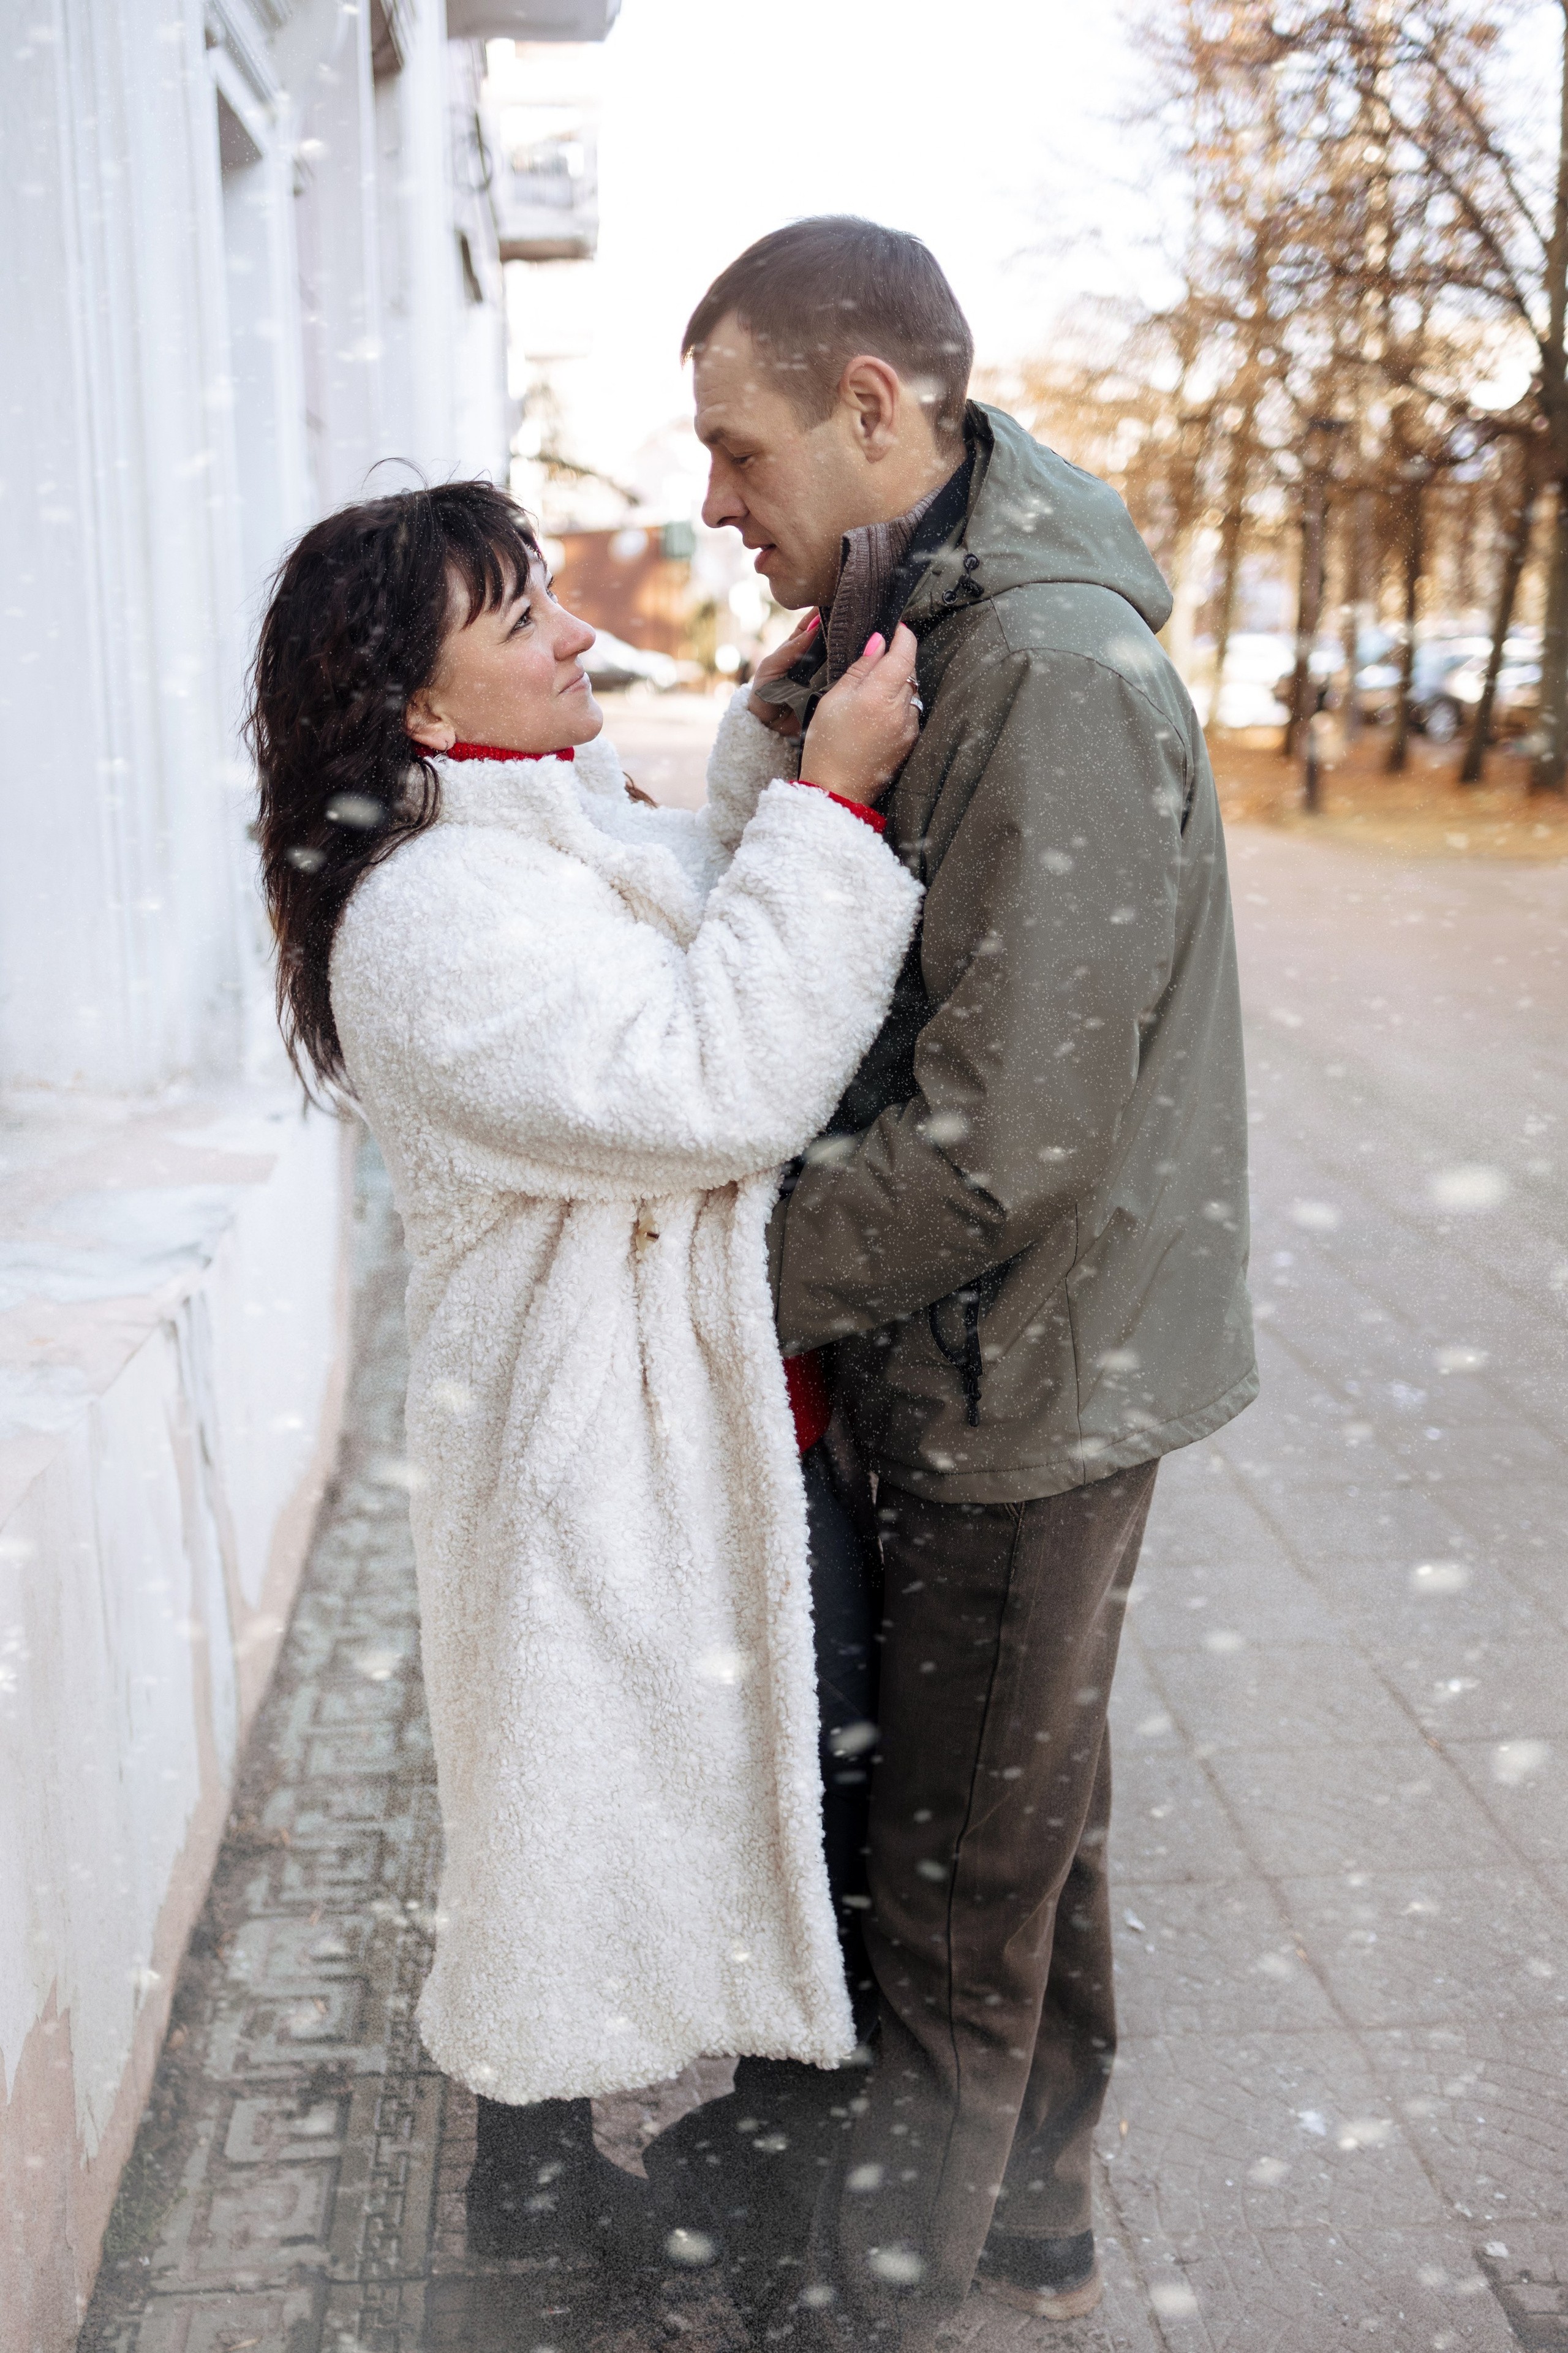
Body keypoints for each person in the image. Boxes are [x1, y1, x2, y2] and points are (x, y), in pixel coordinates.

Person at [667, 218, 1257, 2347]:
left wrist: (714, 1274)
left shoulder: (1049, 666)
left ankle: (871, 2307)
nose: (712, 501)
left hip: (1031, 1375)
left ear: (872, 407)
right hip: (992, 1344)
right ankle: (1033, 2228)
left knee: (950, 1895)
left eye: (737, 450)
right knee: (1033, 1812)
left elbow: (1013, 1132)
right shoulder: (920, 614)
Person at [247, 482, 924, 2283]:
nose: (579, 635)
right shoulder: (429, 916)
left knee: (659, 1809)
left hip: (675, 1426)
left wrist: (775, 746)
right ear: (420, 704)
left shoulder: (537, 839)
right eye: (525, 618)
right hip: (589, 1456)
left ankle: (584, 2198)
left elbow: (696, 914)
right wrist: (838, 806)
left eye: (556, 597)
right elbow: (713, 1071)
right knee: (643, 1819)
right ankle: (635, 2219)